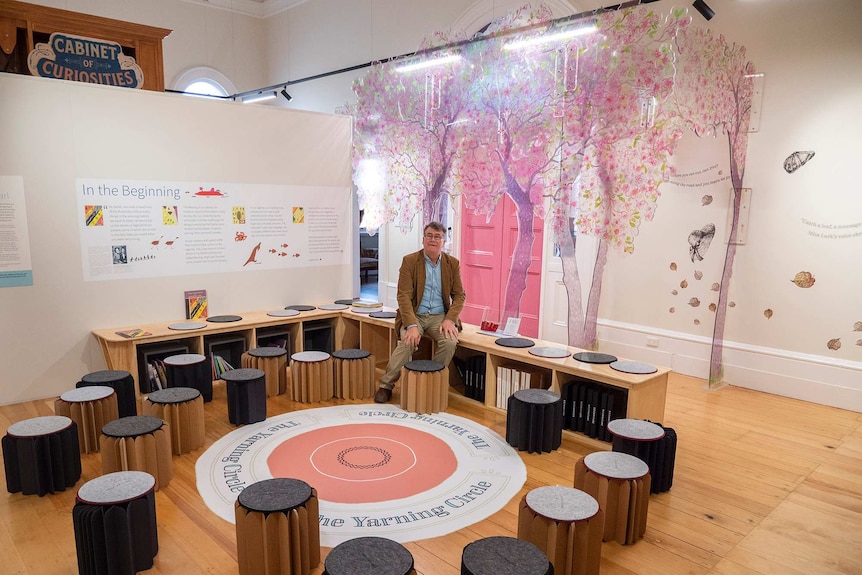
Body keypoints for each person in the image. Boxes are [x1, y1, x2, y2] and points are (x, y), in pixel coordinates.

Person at [374, 221, 466, 403]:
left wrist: (450, 320)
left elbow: (459, 296)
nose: (433, 239)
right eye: (430, 236)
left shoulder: (452, 264)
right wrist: (411, 325)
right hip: (415, 314)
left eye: (437, 237)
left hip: (440, 317)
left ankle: (430, 382)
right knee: (407, 342)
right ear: (423, 239)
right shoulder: (410, 261)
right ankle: (386, 386)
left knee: (449, 343)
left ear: (443, 241)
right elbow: (403, 296)